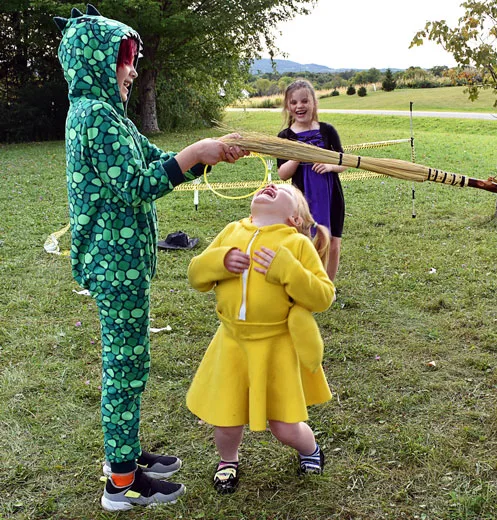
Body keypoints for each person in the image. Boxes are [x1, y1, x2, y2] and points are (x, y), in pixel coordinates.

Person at [53, 5, 247, 511]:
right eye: (126, 60)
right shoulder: (95, 118)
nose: (133, 70)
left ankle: (128, 453)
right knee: (124, 365)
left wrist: (206, 151)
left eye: (133, 60)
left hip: (123, 263)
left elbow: (157, 161)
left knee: (130, 359)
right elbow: (138, 186)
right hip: (114, 266)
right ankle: (120, 483)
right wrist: (195, 155)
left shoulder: (104, 116)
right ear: (97, 62)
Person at [186, 183, 335, 493]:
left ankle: (310, 450)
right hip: (232, 342)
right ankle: (228, 461)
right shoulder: (231, 231)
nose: (270, 186)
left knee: (284, 426)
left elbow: (322, 296)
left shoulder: (297, 244)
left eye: (282, 189)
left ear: (294, 218)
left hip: (275, 344)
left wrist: (287, 269)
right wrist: (221, 261)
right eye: (268, 186)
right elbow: (196, 274)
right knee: (225, 418)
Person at [277, 79, 346, 281]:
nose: (300, 106)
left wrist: (330, 166)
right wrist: (298, 155)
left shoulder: (327, 131)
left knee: (333, 242)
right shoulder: (285, 136)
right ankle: (307, 285)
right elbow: (283, 173)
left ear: (313, 103)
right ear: (288, 107)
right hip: (302, 198)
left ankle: (327, 287)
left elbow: (344, 161)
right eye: (294, 102)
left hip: (330, 193)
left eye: (305, 101)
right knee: (305, 242)